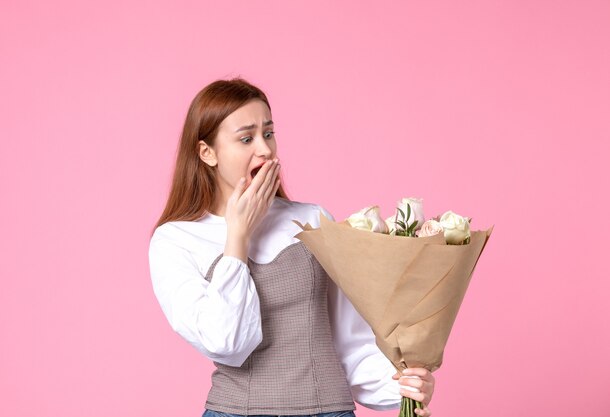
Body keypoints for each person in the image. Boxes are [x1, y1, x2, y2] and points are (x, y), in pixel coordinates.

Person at [148, 78, 436, 417]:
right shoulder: (175, 240)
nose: (265, 150)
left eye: (268, 133)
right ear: (206, 152)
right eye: (246, 138)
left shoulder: (312, 219)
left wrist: (404, 388)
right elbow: (227, 343)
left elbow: (350, 339)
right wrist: (237, 236)